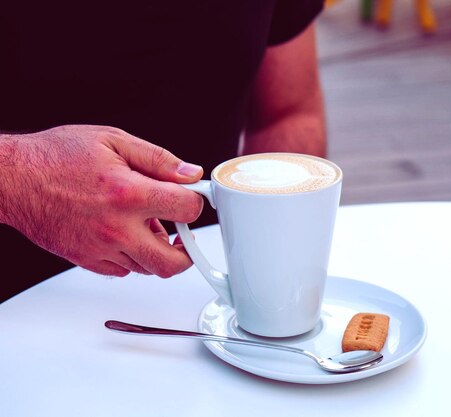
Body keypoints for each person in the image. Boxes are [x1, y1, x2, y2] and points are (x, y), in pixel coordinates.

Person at [0, 1, 327, 301]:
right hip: (16, 294)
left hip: (206, 289)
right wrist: (23, 179)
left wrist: (263, 266)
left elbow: (288, 114)